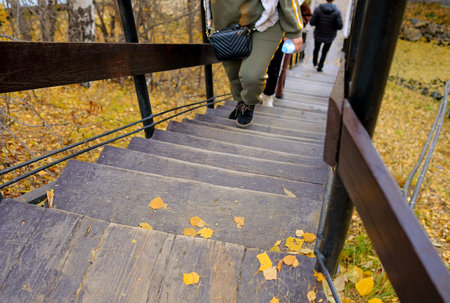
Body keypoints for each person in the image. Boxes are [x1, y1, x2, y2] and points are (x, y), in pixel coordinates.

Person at [210, 0, 304, 128]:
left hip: (266, 23)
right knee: (233, 73)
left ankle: (249, 103)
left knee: (251, 75)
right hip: (227, 26)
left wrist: (295, 30)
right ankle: (240, 102)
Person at [261, 0, 312, 107]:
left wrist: (291, 29)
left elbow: (306, 15)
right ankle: (256, 94)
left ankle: (269, 95)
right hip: (261, 33)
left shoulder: (299, 2)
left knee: (276, 67)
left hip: (282, 37)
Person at [309, 0, 343, 72]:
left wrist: (318, 23)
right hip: (330, 35)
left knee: (316, 49)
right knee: (325, 51)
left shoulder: (317, 9)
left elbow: (312, 22)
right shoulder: (337, 12)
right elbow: (340, 26)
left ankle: (315, 63)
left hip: (318, 33)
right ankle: (320, 67)